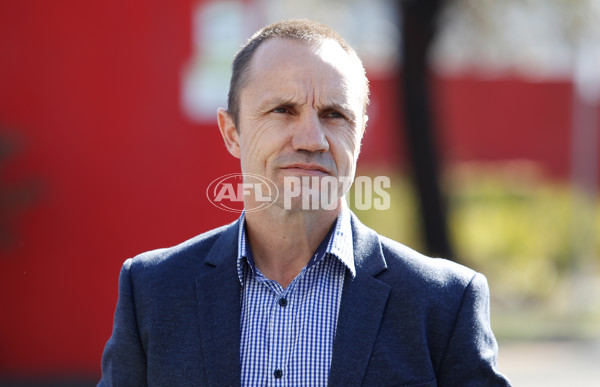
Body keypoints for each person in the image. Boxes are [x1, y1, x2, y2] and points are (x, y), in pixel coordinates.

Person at [99, 19, 511, 386]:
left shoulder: (443, 303)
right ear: (231, 132)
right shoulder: (153, 290)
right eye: (283, 110)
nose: (311, 139)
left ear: (360, 133)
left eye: (334, 115)